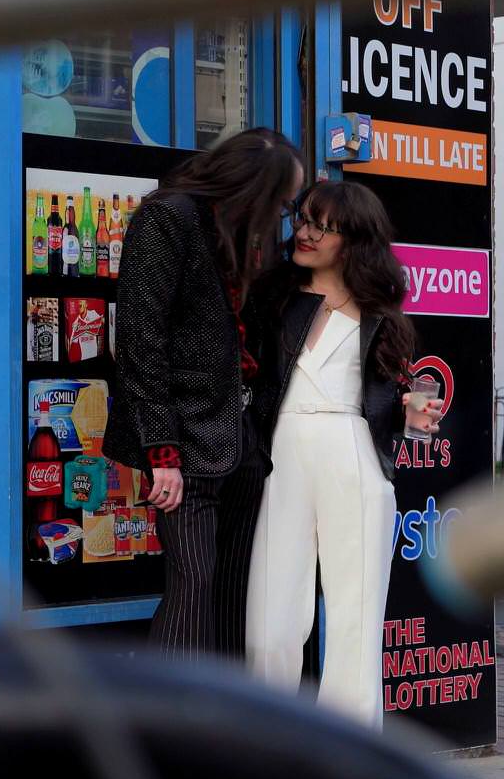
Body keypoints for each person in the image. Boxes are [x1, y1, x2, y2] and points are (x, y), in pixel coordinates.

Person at [243, 180, 443, 728]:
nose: (303, 232)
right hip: (280, 456)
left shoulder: (383, 318)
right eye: (302, 219)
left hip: (352, 456)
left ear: (353, 239)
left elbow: (403, 405)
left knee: (356, 622)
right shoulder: (272, 297)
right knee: (269, 626)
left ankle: (349, 759)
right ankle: (269, 748)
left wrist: (414, 418)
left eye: (320, 225)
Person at [103, 128, 305, 656]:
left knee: (236, 590)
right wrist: (161, 453)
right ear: (253, 188)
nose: (283, 216)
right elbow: (141, 340)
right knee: (192, 588)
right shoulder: (168, 217)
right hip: (184, 445)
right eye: (282, 203)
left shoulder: (239, 233)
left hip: (240, 439)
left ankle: (225, 721)